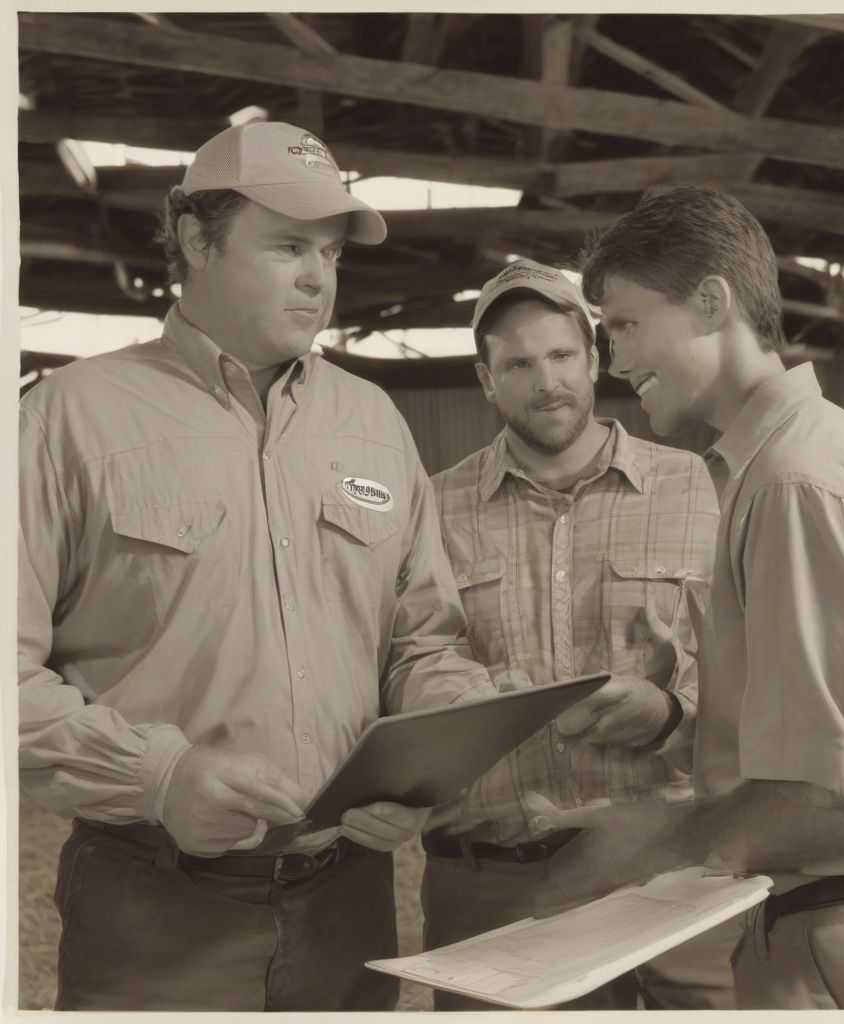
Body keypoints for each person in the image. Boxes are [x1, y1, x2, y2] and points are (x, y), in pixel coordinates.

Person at [18, 120, 496, 1012]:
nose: (319, 277)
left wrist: (435, 749)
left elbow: (423, 640)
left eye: (329, 252)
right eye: (287, 247)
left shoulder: (374, 423)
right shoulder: (67, 423)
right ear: (196, 239)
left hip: (349, 900)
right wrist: (156, 778)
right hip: (150, 904)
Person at [536, 187, 844, 1010]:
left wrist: (646, 840)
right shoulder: (790, 461)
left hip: (830, 953)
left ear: (712, 301)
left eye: (623, 323)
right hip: (819, 931)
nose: (614, 361)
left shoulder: (796, 482)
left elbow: (821, 802)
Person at [423, 259, 740, 1011]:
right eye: (519, 363)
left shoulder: (697, 486)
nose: (547, 380)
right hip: (497, 882)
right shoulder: (432, 509)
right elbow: (411, 661)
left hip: (673, 870)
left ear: (595, 358)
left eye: (562, 355)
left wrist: (670, 714)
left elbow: (747, 663)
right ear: (485, 379)